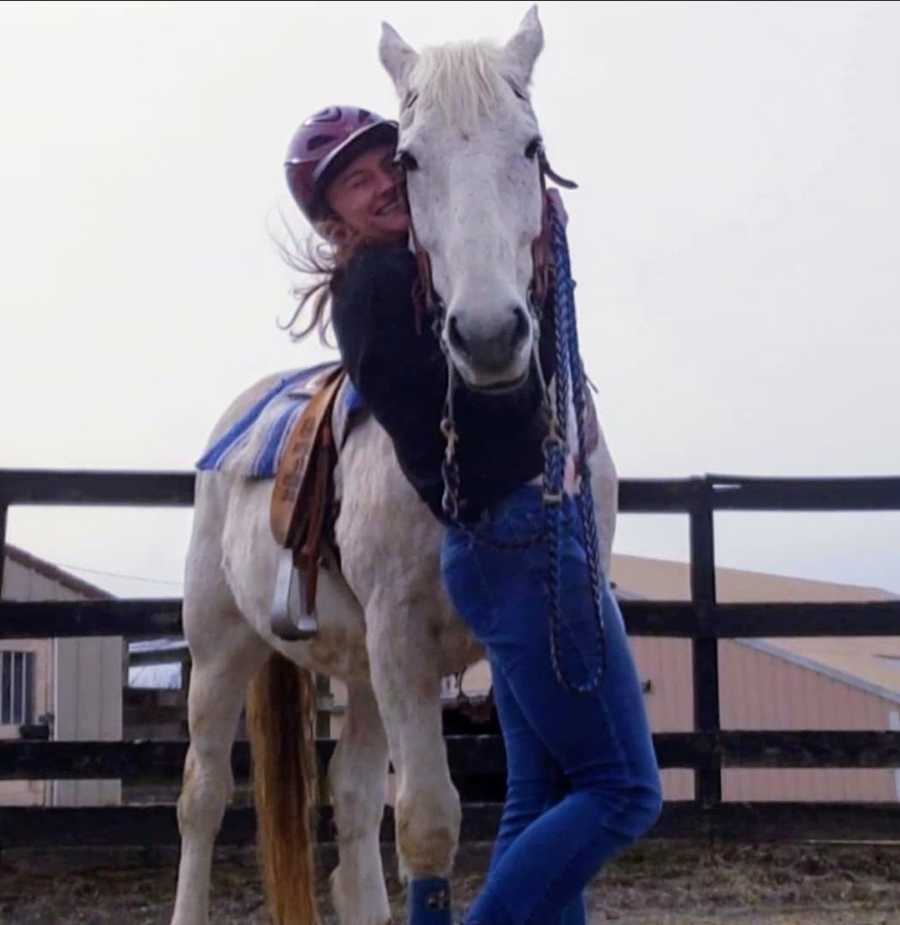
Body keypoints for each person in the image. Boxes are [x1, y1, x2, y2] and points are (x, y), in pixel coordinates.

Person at [284, 105, 662, 925]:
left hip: (514, 542)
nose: (382, 183)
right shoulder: (382, 288)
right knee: (625, 789)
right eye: (355, 181)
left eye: (390, 165)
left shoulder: (426, 270)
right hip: (520, 536)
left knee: (542, 786)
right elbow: (487, 430)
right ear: (330, 218)